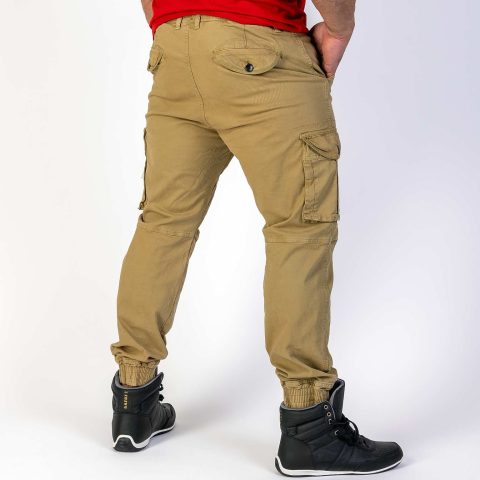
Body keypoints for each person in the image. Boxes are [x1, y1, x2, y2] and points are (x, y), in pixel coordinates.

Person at [109, 0, 403, 475]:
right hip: (262, 49)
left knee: (163, 225)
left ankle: (133, 399)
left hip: (174, 49)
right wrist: (339, 27)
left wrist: (177, 30)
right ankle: (310, 426)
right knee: (298, 230)